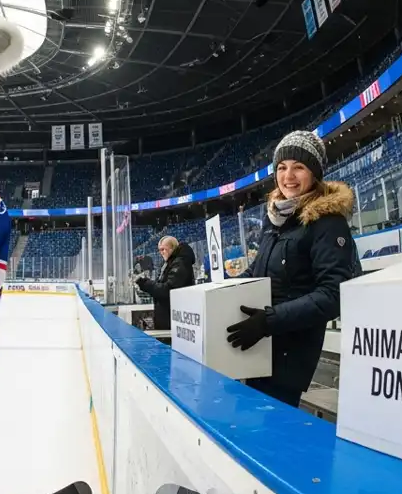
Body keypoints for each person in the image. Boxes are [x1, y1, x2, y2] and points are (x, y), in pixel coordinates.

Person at [226, 130, 359, 408]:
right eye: (282, 168)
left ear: (314, 173)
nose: (289, 176)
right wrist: (222, 290)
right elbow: (258, 272)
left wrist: (268, 321)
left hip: (289, 357)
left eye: (299, 167)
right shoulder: (275, 218)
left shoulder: (328, 223)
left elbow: (333, 295)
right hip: (258, 349)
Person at [135, 236, 196, 330]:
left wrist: (146, 284)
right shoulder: (170, 263)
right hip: (168, 319)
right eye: (159, 250)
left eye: (163, 249)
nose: (161, 252)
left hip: (174, 321)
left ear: (173, 248)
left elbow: (167, 290)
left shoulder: (180, 263)